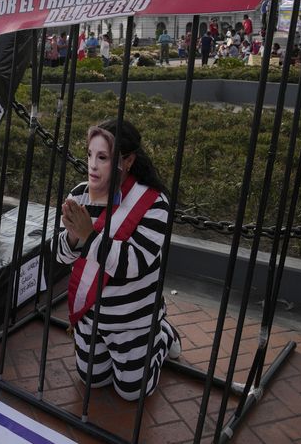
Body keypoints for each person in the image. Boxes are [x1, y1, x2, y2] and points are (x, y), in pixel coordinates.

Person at [57, 119, 180, 401]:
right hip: (90, 315)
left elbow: (133, 264)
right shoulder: (79, 194)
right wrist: (74, 239)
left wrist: (89, 237)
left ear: (128, 160)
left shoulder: (154, 202)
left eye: (103, 158)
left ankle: (162, 335)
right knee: (93, 381)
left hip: (131, 319)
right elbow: (61, 255)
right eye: (89, 155)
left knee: (132, 393)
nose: (92, 165)